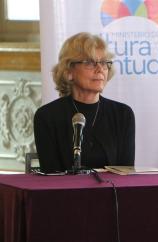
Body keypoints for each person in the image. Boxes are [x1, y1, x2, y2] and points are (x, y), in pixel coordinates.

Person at [34, 32, 135, 173]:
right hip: (64, 194)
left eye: (104, 63)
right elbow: (52, 177)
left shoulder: (122, 114)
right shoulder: (47, 116)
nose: (100, 69)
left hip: (112, 194)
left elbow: (126, 173)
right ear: (69, 72)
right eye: (90, 62)